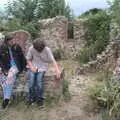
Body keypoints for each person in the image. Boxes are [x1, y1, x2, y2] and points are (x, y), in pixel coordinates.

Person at [26, 38, 61, 106]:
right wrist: (32, 67)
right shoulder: (32, 48)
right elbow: (28, 59)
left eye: (40, 49)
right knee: (31, 83)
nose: (38, 50)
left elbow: (53, 60)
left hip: (42, 67)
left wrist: (57, 71)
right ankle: (31, 98)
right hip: (33, 66)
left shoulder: (47, 49)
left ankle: (40, 99)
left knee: (39, 82)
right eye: (37, 49)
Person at [0, 33, 26, 109]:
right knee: (4, 77)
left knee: (9, 77)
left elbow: (22, 57)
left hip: (15, 66)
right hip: (6, 67)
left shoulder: (16, 47)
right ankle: (6, 99)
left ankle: (6, 99)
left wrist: (25, 67)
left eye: (13, 40)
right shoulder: (2, 47)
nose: (13, 42)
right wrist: (2, 69)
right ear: (7, 41)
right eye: (11, 41)